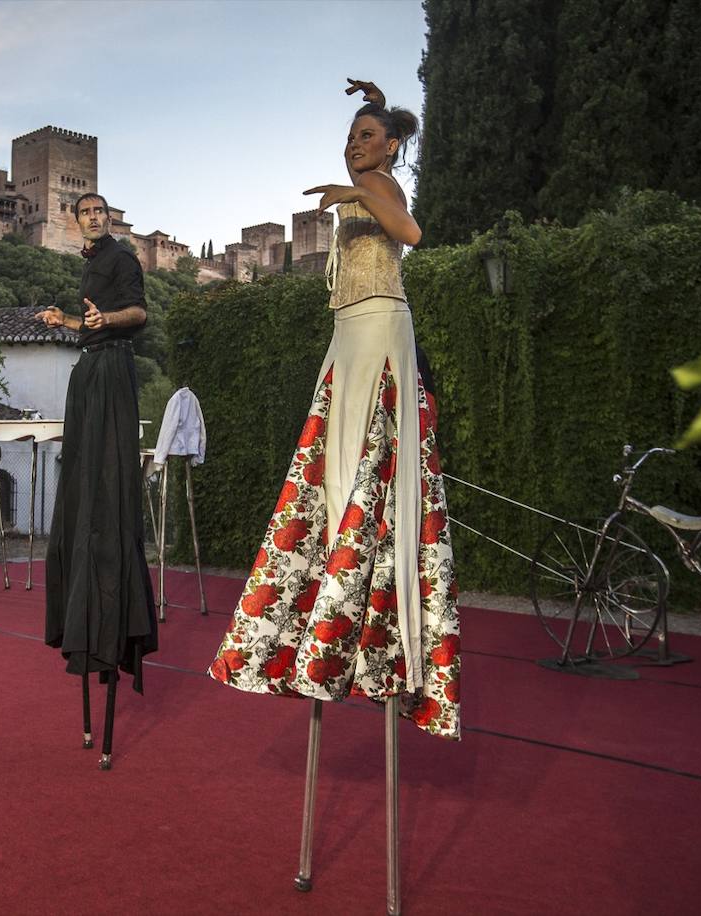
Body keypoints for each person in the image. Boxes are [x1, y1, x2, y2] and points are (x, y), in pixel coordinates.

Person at [208, 79, 461, 741]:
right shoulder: (372, 180)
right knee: (331, 472)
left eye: (368, 138)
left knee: (357, 472)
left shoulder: (382, 188)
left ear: (392, 147)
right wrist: (379, 104)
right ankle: (330, 607)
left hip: (377, 328)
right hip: (347, 333)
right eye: (350, 138)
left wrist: (355, 189)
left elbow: (412, 231)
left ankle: (357, 608)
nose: (354, 147)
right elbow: (382, 171)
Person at [35, 192, 158, 770]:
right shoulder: (86, 263)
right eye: (84, 212)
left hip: (111, 371)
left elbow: (138, 315)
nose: (92, 217)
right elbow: (90, 322)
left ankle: (113, 626)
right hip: (87, 372)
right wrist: (65, 321)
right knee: (81, 495)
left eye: (99, 210)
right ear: (73, 221)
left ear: (107, 217)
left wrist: (104, 320)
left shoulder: (122, 258)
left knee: (108, 495)